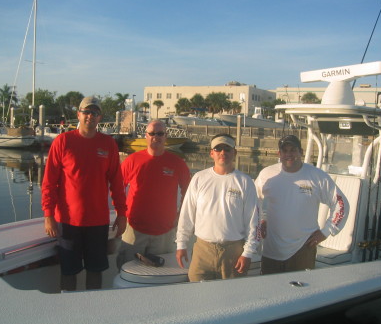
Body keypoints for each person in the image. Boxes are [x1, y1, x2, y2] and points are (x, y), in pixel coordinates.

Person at [42, 96, 127, 291]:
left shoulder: (109, 144)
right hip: (67, 221)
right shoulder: (63, 141)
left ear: (100, 117)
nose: (90, 116)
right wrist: (48, 215)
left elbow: (116, 183)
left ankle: (92, 314)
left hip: (98, 222)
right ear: (78, 114)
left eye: (95, 113)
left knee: (95, 271)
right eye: (86, 112)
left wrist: (122, 214)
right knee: (68, 272)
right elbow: (49, 183)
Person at [255, 134, 348, 275]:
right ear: (279, 153)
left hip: (303, 248)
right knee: (270, 293)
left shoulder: (317, 176)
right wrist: (262, 218)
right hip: (271, 249)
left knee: (301, 292)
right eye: (284, 150)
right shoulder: (266, 175)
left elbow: (341, 204)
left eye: (293, 150)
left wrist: (326, 231)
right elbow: (254, 202)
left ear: (301, 152)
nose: (289, 154)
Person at [176, 133, 260, 281]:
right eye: (218, 149)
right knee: (197, 295)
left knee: (232, 300)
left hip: (233, 252)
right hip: (202, 251)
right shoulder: (199, 179)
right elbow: (187, 214)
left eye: (227, 149)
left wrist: (247, 253)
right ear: (211, 153)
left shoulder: (245, 182)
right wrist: (181, 244)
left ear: (234, 152)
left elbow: (253, 222)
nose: (223, 153)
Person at [116, 120, 191, 269]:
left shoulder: (177, 163)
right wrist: (121, 214)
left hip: (164, 233)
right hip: (134, 230)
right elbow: (117, 188)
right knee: (126, 270)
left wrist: (180, 214)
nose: (155, 137)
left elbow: (188, 193)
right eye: (152, 133)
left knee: (159, 274)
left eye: (160, 133)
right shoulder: (132, 160)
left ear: (165, 136)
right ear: (146, 136)